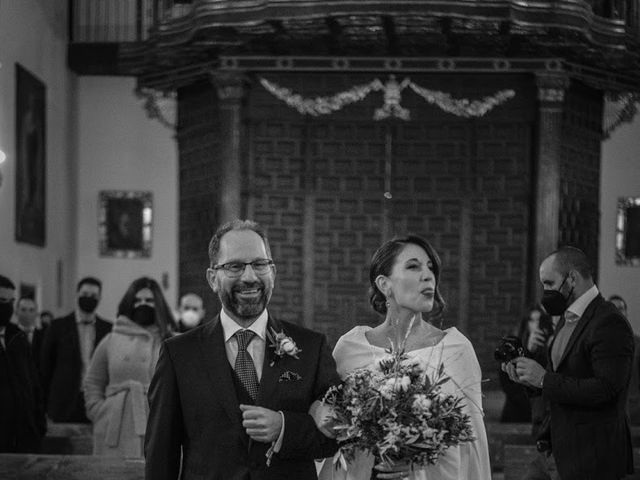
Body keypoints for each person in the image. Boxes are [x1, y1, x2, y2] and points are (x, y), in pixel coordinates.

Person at [145, 219, 340, 480]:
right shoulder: (179, 354)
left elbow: (338, 431)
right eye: (235, 266)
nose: (250, 277)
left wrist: (284, 428)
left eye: (259, 264)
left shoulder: (311, 347)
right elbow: (161, 454)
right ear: (213, 278)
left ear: (273, 272)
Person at [317, 235, 491, 480]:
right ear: (384, 284)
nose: (428, 275)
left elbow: (470, 445)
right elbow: (334, 429)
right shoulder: (351, 347)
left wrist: (417, 462)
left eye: (431, 267)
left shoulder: (455, 349)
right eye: (413, 266)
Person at [504, 246, 635, 480]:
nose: (545, 291)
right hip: (556, 450)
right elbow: (561, 381)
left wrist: (543, 378)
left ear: (572, 279)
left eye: (549, 283)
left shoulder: (609, 322)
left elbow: (606, 389)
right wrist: (528, 379)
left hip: (591, 456)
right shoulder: (567, 320)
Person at [84, 277, 176, 458]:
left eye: (149, 301)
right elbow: (93, 382)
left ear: (158, 304)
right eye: (137, 300)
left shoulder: (173, 342)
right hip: (114, 426)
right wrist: (100, 412)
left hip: (159, 425)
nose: (142, 304)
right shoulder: (111, 340)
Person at [41, 277, 112, 422]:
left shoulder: (108, 329)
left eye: (93, 296)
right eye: (85, 294)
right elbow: (45, 367)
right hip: (64, 400)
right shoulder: (58, 327)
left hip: (97, 399)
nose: (89, 299)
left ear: (99, 298)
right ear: (77, 294)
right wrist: (43, 404)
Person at [0, 275, 46, 452]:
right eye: (2, 300)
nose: (8, 307)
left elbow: (33, 384)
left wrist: (38, 424)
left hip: (24, 437)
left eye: (11, 301)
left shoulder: (17, 337)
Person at [609, 294, 640, 424]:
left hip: (633, 412)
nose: (617, 312)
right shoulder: (594, 345)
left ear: (626, 313)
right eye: (612, 308)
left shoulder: (638, 345)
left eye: (621, 308)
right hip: (606, 414)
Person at [15, 297, 46, 374]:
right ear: (16, 311)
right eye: (23, 310)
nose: (27, 314)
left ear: (36, 313)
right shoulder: (8, 336)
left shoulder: (45, 336)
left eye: (31, 310)